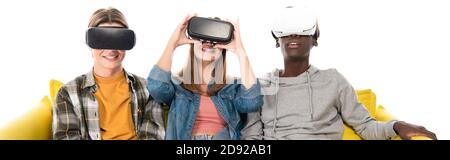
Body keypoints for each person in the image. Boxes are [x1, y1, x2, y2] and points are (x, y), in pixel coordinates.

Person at [241, 5, 437, 140]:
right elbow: (252, 138)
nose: (294, 34)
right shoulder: (259, 87)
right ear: (277, 40)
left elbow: (365, 126)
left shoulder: (333, 80)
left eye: (302, 29)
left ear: (314, 39)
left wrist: (397, 125)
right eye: (286, 30)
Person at [52, 7, 165, 140]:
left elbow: (153, 136)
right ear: (90, 43)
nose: (111, 49)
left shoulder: (148, 90)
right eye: (102, 40)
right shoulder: (68, 94)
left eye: (118, 40)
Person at [147, 14, 263, 140]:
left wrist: (240, 51)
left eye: (214, 39)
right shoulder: (177, 85)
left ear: (223, 49)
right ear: (192, 43)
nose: (208, 42)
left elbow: (252, 102)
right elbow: (156, 88)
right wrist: (173, 43)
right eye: (203, 38)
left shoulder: (233, 87)